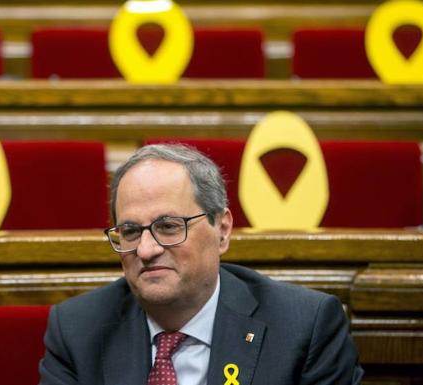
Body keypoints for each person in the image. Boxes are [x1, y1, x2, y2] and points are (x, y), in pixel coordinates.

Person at [39, 143, 363, 385]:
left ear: (222, 231)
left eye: (168, 227)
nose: (147, 249)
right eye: (131, 231)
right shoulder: (77, 330)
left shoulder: (304, 328)